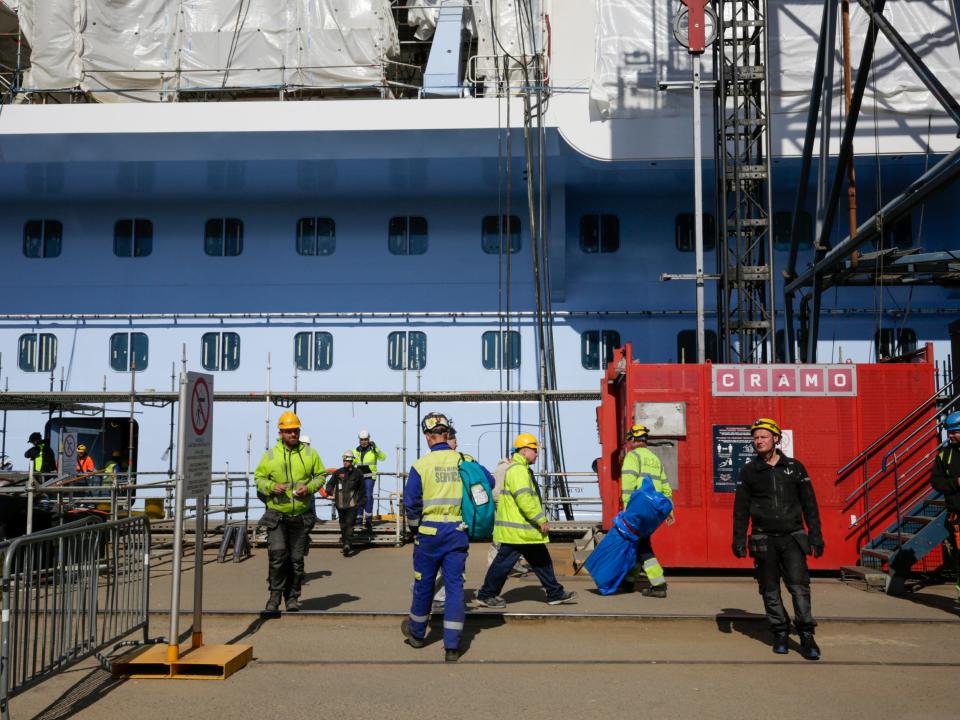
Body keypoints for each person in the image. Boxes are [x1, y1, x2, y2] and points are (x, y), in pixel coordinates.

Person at [732, 417, 824, 660]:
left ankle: (806, 635)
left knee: (799, 588)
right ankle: (780, 632)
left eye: (763, 437)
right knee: (769, 590)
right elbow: (740, 509)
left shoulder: (795, 467)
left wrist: (816, 535)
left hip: (793, 538)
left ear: (776, 439)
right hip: (763, 540)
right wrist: (738, 538)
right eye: (755, 438)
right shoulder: (749, 471)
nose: (758, 441)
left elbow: (810, 505)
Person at [476, 433, 577, 608]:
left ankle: (555, 593)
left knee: (541, 561)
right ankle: (486, 594)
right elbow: (524, 499)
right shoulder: (518, 470)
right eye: (534, 450)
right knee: (504, 564)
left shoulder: (520, 469)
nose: (537, 454)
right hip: (519, 530)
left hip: (522, 529)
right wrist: (540, 519)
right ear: (524, 451)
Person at [401, 412, 470, 662]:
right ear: (447, 434)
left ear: (429, 437)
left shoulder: (421, 466)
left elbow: (411, 503)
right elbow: (488, 480)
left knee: (424, 585)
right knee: (454, 587)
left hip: (429, 534)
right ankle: (452, 647)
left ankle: (417, 635)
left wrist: (414, 529)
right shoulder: (463, 460)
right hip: (457, 532)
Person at [255, 411, 325, 613]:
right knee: (277, 556)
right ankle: (274, 598)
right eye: (289, 431)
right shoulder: (270, 455)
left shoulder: (310, 454)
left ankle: (292, 597)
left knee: (296, 560)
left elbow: (320, 476)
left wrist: (309, 488)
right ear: (281, 433)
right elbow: (259, 479)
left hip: (301, 516)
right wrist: (270, 486)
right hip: (277, 515)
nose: (293, 434)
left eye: (295, 430)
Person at [620, 424, 674, 597]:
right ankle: (629, 581)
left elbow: (628, 486)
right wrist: (669, 510)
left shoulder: (632, 456)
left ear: (632, 440)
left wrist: (627, 508)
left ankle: (659, 585)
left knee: (643, 546)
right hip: (655, 510)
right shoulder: (654, 458)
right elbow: (666, 487)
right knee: (638, 542)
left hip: (638, 509)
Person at [930, 411, 960, 603]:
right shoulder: (944, 455)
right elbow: (936, 482)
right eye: (949, 432)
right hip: (957, 515)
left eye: (955, 431)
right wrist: (955, 482)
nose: (950, 435)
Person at [321, 451, 366, 557]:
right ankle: (345, 543)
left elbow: (362, 490)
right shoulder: (338, 472)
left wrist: (361, 502)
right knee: (343, 525)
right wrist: (329, 491)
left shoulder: (358, 474)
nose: (345, 462)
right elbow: (330, 484)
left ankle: (347, 545)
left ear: (352, 461)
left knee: (350, 524)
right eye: (344, 460)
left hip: (352, 504)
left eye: (347, 460)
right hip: (340, 504)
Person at [354, 429, 386, 531]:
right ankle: (358, 519)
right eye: (362, 439)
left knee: (368, 496)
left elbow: (383, 458)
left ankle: (368, 520)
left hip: (369, 477)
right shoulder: (356, 451)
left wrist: (376, 448)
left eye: (366, 439)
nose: (364, 441)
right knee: (359, 497)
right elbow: (350, 461)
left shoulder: (373, 450)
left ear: (369, 440)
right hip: (359, 477)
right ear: (359, 440)